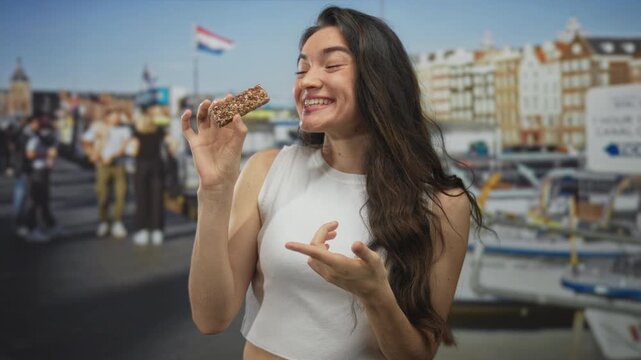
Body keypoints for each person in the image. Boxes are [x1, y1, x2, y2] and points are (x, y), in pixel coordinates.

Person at [185, 7, 484, 359]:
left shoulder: (444, 203)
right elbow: (211, 317)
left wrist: (375, 295)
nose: (307, 81)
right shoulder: (267, 169)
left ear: (379, 80)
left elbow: (418, 354)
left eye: (331, 65)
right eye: (302, 68)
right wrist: (215, 190)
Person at [129, 106, 177, 246]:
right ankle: (157, 232)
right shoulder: (160, 131)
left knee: (142, 199)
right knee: (157, 199)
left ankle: (143, 231)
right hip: (158, 167)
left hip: (142, 167)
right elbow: (173, 144)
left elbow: (133, 151)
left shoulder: (137, 133)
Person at [81, 109, 131, 238]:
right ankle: (103, 222)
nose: (117, 118)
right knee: (102, 194)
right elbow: (85, 141)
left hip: (119, 165)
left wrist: (114, 155)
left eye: (118, 116)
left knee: (121, 194)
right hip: (102, 165)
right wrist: (92, 154)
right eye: (114, 116)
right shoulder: (98, 128)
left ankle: (118, 222)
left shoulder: (125, 130)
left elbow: (126, 146)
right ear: (107, 117)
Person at [23, 116, 59, 242]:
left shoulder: (44, 138)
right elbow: (30, 154)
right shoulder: (35, 138)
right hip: (37, 171)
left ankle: (50, 225)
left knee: (44, 200)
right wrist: (46, 154)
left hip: (43, 171)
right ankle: (31, 229)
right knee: (35, 200)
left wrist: (51, 159)